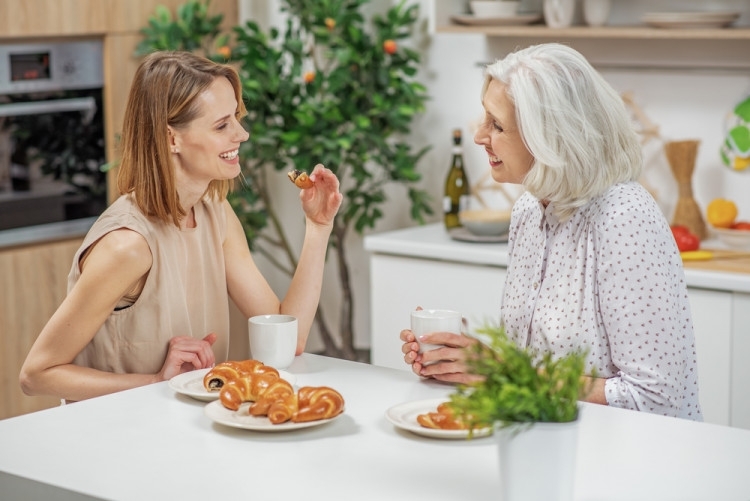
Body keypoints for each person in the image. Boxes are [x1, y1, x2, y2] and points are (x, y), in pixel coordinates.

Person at [400, 43, 702, 420]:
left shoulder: (624, 215)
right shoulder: (530, 209)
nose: (479, 136)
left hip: (631, 459)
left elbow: (657, 397)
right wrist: (460, 360)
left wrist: (498, 370)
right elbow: (535, 368)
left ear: (550, 137)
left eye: (497, 125)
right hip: (548, 441)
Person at [19, 51, 343, 402]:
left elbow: (288, 339)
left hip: (184, 429)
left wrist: (318, 227)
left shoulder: (215, 213)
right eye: (222, 125)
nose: (243, 134)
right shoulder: (127, 245)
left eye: (236, 117)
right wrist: (157, 381)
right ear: (171, 138)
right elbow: (37, 375)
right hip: (118, 438)